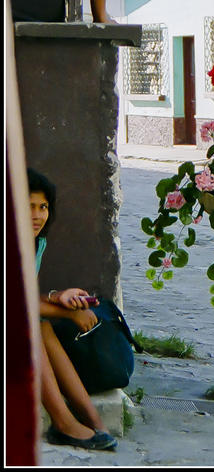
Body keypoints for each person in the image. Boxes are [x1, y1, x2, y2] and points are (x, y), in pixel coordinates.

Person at [28, 168, 118, 451]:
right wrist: (69, 313)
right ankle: (64, 422)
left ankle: (93, 421)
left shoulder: (35, 243)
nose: (38, 214)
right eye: (29, 206)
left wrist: (59, 297)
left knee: (41, 326)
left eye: (43, 206)